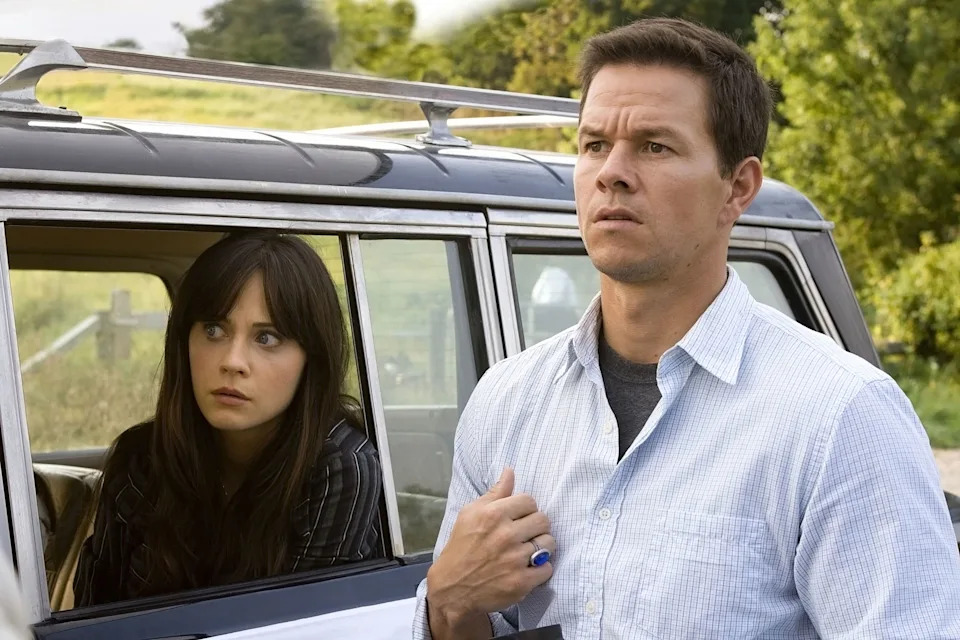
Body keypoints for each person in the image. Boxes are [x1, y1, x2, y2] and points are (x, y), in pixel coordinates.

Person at [414, 17, 960, 639]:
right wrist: (449, 603)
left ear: (738, 187)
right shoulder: (507, 401)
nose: (611, 172)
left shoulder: (840, 417)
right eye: (594, 145)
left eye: (654, 146)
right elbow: (466, 615)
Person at [74, 231, 382, 605]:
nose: (232, 362)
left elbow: (301, 627)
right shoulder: (140, 459)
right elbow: (93, 614)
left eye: (266, 338)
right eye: (214, 329)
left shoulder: (340, 468)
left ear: (311, 358)